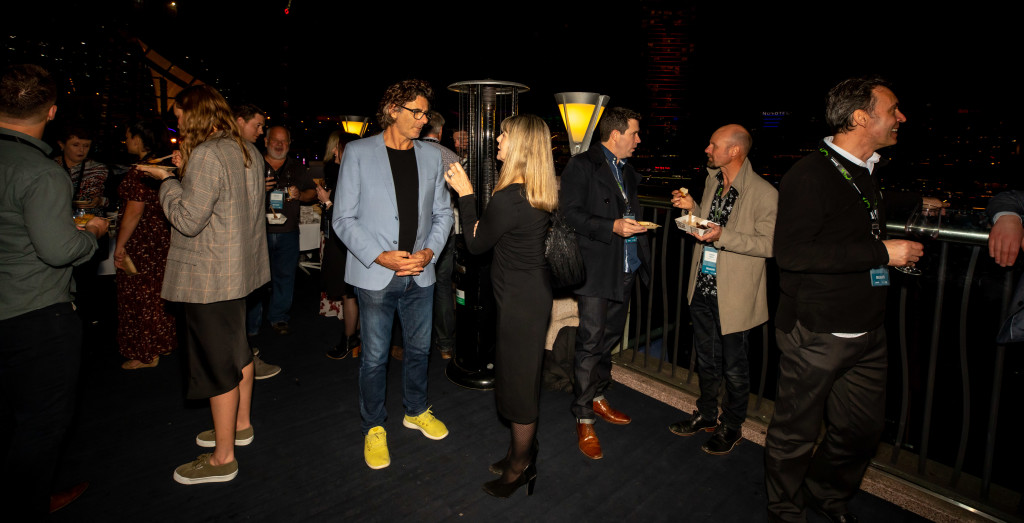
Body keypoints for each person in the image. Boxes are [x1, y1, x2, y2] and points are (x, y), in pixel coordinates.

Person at [766, 76, 944, 522]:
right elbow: (792, 254)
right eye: (893, 109)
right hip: (817, 331)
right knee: (796, 432)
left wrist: (918, 199)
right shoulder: (808, 174)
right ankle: (784, 509)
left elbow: (857, 206)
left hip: (868, 329)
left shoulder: (863, 171)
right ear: (861, 118)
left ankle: (826, 495)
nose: (901, 117)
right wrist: (884, 252)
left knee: (862, 431)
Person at [137, 84, 270, 485]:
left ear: (194, 115)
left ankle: (222, 459)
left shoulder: (208, 155)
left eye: (179, 118)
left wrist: (166, 180)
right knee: (238, 353)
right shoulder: (247, 150)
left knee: (216, 367)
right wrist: (185, 171)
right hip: (238, 273)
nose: (177, 125)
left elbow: (188, 219)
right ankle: (240, 426)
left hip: (210, 279)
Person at [1, 63, 108, 518]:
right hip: (34, 313)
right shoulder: (42, 173)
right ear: (51, 111)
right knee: (40, 422)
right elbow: (60, 250)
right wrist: (94, 232)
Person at [333, 79, 453, 470]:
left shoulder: (432, 156)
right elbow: (343, 219)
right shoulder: (358, 152)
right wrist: (380, 257)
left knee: (419, 350)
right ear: (393, 110)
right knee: (374, 357)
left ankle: (415, 410)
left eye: (425, 113)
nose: (423, 119)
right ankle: (373, 426)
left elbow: (442, 214)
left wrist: (429, 252)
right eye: (416, 112)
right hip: (377, 276)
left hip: (420, 273)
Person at [445, 114, 557, 498]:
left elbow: (476, 244)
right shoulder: (534, 190)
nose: (497, 139)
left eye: (504, 134)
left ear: (520, 145)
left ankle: (520, 466)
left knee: (519, 387)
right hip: (528, 296)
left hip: (521, 303)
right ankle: (519, 451)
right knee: (518, 377)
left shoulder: (511, 197)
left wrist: (465, 194)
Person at [668, 124, 777, 455]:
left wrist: (722, 236)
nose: (707, 149)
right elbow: (706, 226)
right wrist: (691, 210)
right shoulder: (712, 181)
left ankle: (732, 426)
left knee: (734, 366)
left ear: (734, 151)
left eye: (713, 145)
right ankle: (706, 414)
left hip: (735, 295)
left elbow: (769, 245)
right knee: (706, 358)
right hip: (702, 285)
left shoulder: (764, 193)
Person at [560, 107, 650, 460]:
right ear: (616, 135)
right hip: (597, 269)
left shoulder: (624, 169)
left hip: (625, 266)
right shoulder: (582, 165)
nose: (638, 140)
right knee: (591, 341)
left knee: (609, 338)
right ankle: (583, 416)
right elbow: (569, 214)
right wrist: (611, 226)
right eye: (635, 133)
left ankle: (597, 396)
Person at [113, 118, 177, 369]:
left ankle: (146, 353)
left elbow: (134, 212)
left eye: (128, 136)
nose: (125, 140)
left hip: (143, 241)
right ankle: (163, 342)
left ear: (139, 139)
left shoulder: (141, 170)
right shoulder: (163, 166)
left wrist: (120, 245)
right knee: (160, 293)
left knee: (140, 296)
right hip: (162, 237)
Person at [246, 125, 315, 337]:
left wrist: (300, 195)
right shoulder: (251, 163)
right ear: (266, 141)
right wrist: (258, 187)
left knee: (285, 277)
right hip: (258, 232)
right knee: (255, 279)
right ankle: (251, 324)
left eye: (284, 141)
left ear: (289, 144)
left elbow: (312, 192)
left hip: (288, 232)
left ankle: (279, 317)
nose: (279, 144)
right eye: (275, 140)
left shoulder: (297, 168)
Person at [316, 130, 362, 359]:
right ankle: (357, 338)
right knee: (352, 291)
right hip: (349, 241)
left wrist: (327, 202)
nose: (334, 152)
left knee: (348, 292)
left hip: (345, 242)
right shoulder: (353, 173)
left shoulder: (349, 176)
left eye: (338, 148)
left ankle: (350, 340)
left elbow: (344, 217)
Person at [420, 110, 460, 359]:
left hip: (416, 232)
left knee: (415, 287)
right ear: (441, 131)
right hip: (446, 231)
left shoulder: (412, 152)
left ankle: (415, 343)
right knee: (443, 286)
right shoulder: (452, 158)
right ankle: (445, 345)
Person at [55, 124, 109, 215]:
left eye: (86, 146)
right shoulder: (51, 167)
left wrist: (100, 201)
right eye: (75, 145)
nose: (81, 150)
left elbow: (114, 200)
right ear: (62, 145)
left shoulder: (101, 169)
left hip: (91, 220)